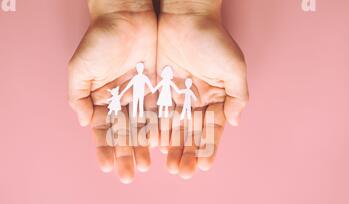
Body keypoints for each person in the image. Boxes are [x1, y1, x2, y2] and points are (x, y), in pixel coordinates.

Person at [68, 0, 249, 183]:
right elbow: (133, 86)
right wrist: (117, 9)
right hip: (143, 94)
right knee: (145, 106)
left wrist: (192, 10)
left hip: (155, 94)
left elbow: (165, 86)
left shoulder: (168, 84)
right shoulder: (140, 79)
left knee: (162, 108)